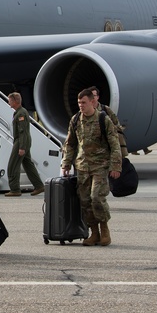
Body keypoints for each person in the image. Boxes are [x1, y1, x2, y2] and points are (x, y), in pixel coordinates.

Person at [61, 87, 122, 246]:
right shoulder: (75, 120)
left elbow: (115, 144)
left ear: (92, 102)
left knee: (97, 198)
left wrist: (115, 166)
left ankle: (105, 229)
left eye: (84, 102)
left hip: (100, 166)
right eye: (79, 103)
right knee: (85, 201)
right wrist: (66, 163)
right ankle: (94, 232)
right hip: (82, 166)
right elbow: (70, 144)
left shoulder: (103, 119)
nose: (81, 105)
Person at [4, 92, 45, 197]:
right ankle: (39, 186)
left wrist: (21, 147)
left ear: (15, 101)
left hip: (21, 141)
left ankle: (15, 189)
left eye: (10, 100)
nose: (9, 102)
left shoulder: (21, 113)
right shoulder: (19, 112)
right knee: (27, 164)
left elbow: (22, 132)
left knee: (12, 165)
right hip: (23, 141)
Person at [90, 87, 129, 160]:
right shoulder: (84, 111)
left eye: (94, 96)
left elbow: (117, 125)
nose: (92, 98)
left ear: (98, 97)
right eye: (90, 96)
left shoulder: (105, 110)